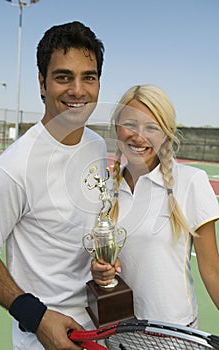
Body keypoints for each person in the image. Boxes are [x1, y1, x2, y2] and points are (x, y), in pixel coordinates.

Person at [0, 21, 108, 350]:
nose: (78, 90)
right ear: (42, 83)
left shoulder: (97, 146)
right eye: (63, 76)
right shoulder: (10, 170)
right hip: (46, 338)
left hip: (102, 326)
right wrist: (37, 317)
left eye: (89, 77)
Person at [91, 84, 219, 328]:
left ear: (166, 134)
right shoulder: (105, 189)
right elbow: (106, 265)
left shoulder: (192, 181)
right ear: (117, 128)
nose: (139, 137)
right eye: (130, 124)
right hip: (121, 333)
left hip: (175, 335)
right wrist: (100, 272)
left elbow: (213, 270)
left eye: (152, 127)